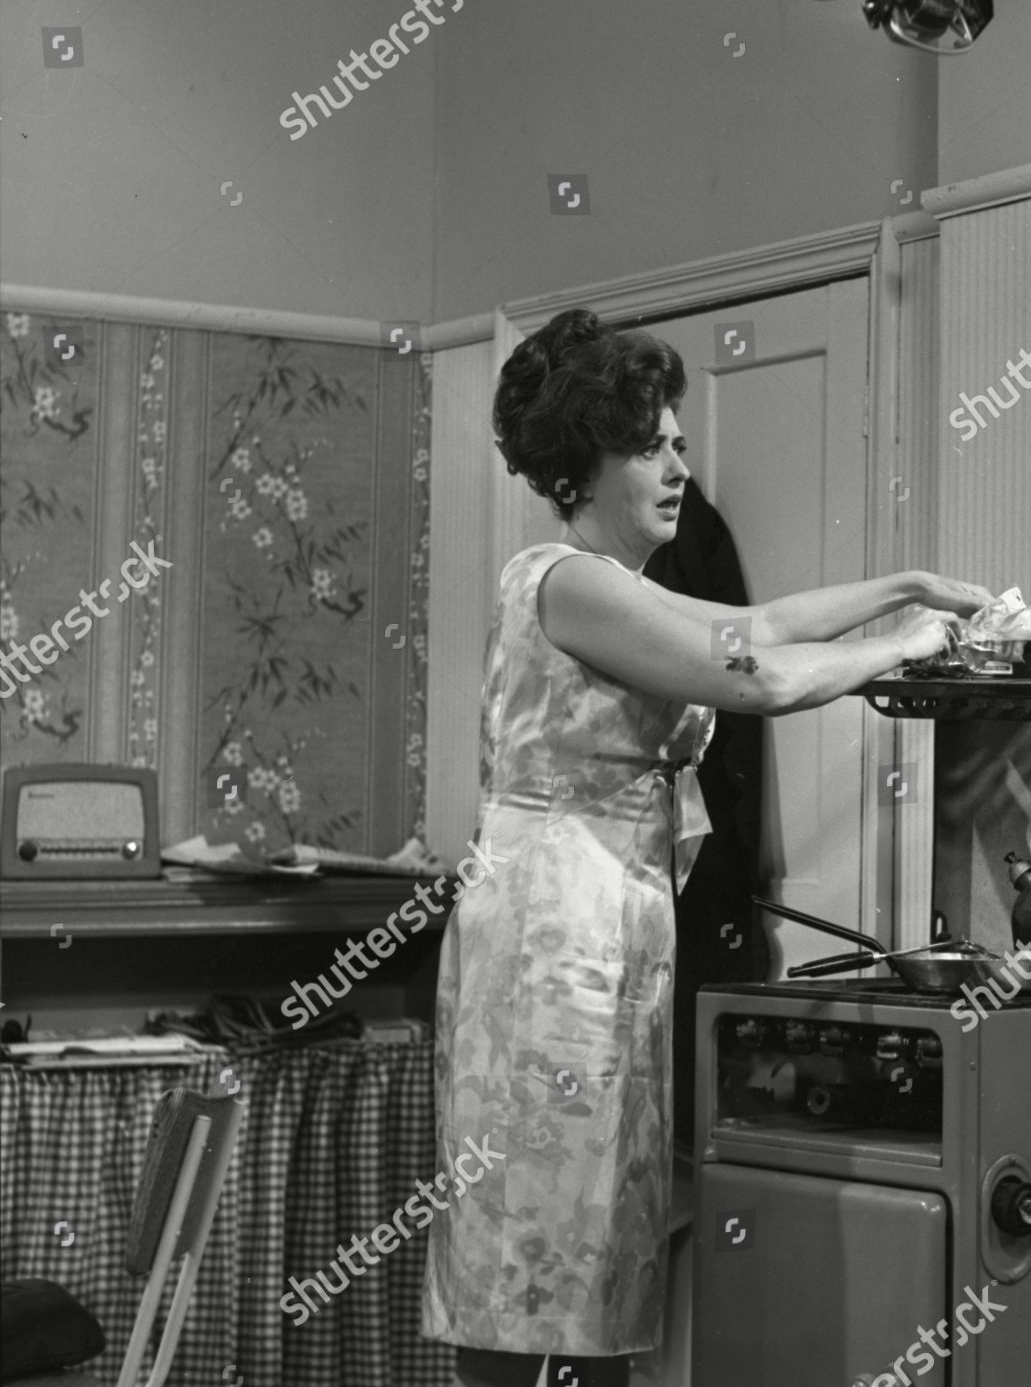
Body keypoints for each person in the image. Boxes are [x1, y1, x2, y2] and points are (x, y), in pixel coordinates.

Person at [420, 308, 994, 1387]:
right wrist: (902, 647)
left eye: (677, 439)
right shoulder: (566, 579)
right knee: (539, 1239)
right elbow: (756, 679)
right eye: (650, 444)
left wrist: (905, 585)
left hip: (605, 921)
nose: (679, 464)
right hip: (554, 939)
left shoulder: (618, 587)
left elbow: (762, 623)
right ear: (582, 465)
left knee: (594, 1237)